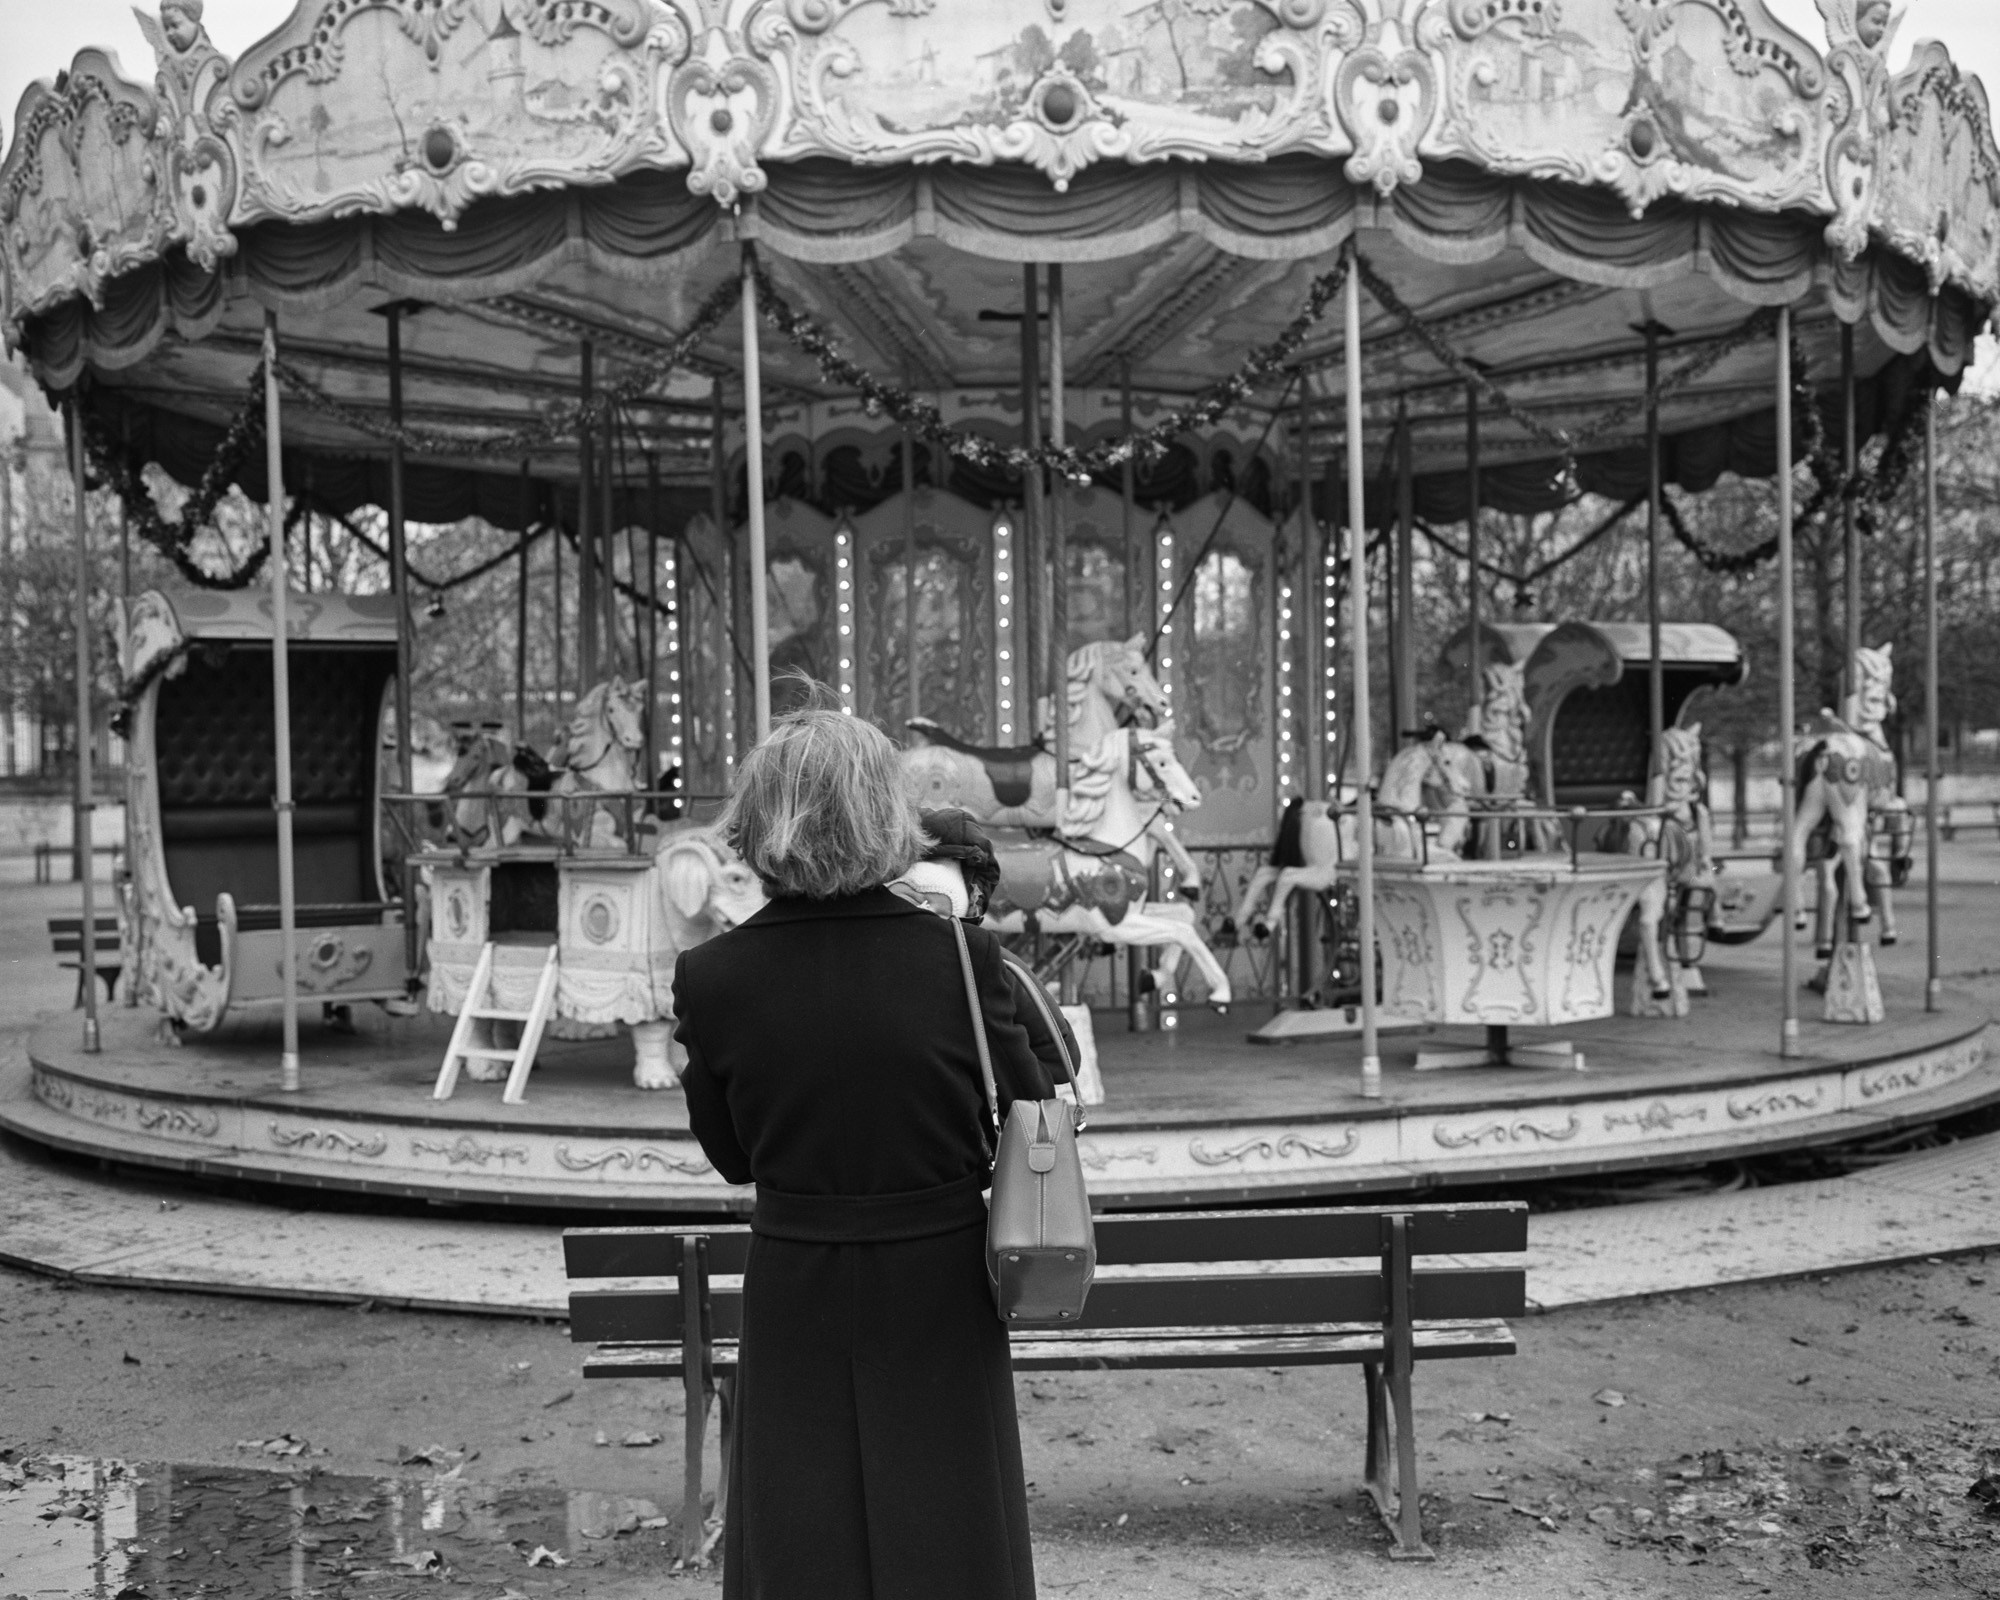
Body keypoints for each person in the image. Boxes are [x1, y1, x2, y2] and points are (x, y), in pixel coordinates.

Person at [672, 693, 1048, 1600]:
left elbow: (732, 1157)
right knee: (952, 1513)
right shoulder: (962, 958)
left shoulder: (714, 976)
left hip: (799, 1275)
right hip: (942, 1277)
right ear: (887, 814)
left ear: (761, 822)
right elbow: (1031, 1104)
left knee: (800, 1519)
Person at [892, 807, 1081, 1092]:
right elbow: (1061, 1060)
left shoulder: (849, 958)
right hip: (969, 1129)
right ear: (973, 900)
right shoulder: (990, 964)